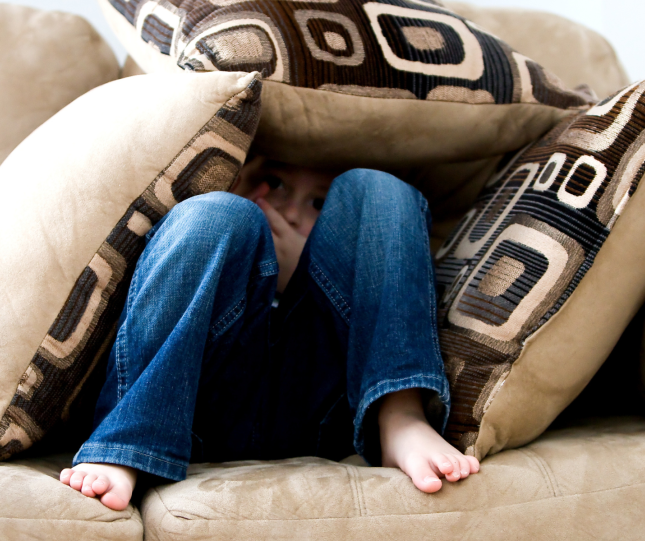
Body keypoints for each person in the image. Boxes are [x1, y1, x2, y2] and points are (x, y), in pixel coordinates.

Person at [59, 157, 479, 511]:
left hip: (323, 409)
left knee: (377, 188)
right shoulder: (236, 226)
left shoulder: (345, 242)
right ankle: (129, 443)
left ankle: (399, 413)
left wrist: (303, 271)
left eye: (318, 202)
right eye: (275, 184)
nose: (292, 211)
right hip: (198, 409)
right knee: (214, 215)